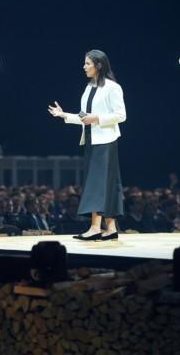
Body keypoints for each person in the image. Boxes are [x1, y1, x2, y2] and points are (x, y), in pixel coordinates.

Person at [48, 49, 126, 240]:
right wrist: (64, 115)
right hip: (92, 140)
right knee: (107, 183)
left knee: (97, 184)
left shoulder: (112, 87)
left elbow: (121, 115)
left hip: (105, 141)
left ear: (98, 65)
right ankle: (111, 227)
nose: (84, 67)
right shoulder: (89, 87)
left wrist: (97, 118)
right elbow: (85, 118)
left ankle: (95, 227)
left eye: (87, 63)